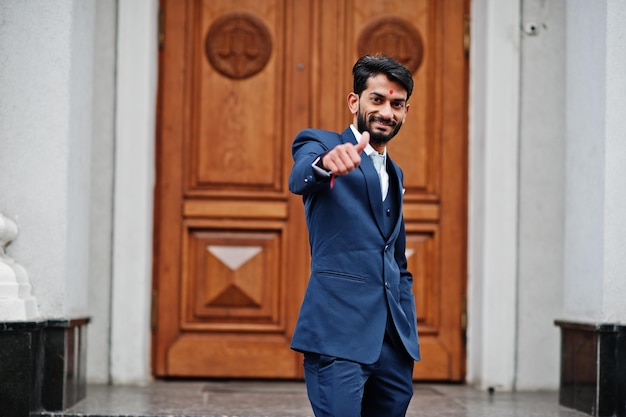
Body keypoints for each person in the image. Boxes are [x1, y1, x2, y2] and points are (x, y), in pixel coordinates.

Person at [288, 54, 421, 417]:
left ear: (406, 111)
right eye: (376, 100)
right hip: (338, 335)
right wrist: (326, 164)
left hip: (392, 344)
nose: (387, 112)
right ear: (355, 102)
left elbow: (396, 259)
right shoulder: (320, 143)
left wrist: (406, 326)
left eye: (396, 104)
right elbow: (300, 175)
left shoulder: (396, 174)